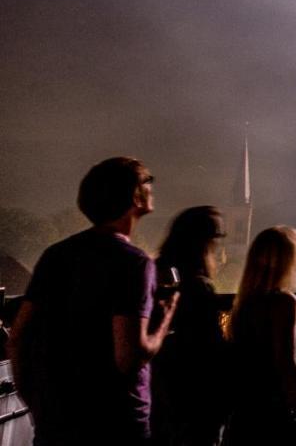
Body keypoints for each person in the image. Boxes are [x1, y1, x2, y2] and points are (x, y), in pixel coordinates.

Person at [6, 157, 179, 446]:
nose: (152, 187)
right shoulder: (133, 264)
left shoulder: (56, 255)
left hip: (57, 424)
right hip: (116, 425)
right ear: (134, 195)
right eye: (147, 181)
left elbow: (17, 338)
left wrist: (38, 405)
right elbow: (129, 357)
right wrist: (166, 318)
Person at [224, 226, 296, 446]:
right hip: (274, 412)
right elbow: (286, 363)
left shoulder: (244, 303)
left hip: (245, 412)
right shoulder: (285, 302)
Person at [152, 206, 230, 446]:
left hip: (159, 397)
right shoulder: (198, 287)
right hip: (194, 403)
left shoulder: (156, 274)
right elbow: (209, 350)